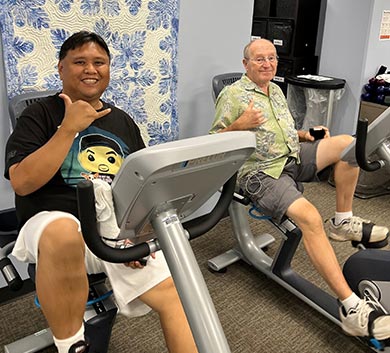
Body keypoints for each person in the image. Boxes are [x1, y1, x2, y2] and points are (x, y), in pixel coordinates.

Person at [4, 31, 198, 353]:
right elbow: (22, 182)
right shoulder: (38, 115)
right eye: (79, 61)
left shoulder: (122, 121)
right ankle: (71, 346)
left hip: (111, 229)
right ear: (61, 68)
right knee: (63, 232)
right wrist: (68, 129)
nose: (90, 69)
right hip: (52, 223)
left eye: (99, 62)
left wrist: (137, 234)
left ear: (109, 68)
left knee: (176, 294)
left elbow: (139, 187)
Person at [210, 38, 390, 340]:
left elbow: (278, 131)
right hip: (260, 172)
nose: (267, 64)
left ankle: (343, 220)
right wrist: (239, 124)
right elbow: (213, 143)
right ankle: (351, 308)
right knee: (309, 217)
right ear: (245, 64)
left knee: (348, 145)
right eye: (259, 59)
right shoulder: (233, 95)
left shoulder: (276, 89)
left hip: (291, 157)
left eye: (272, 58)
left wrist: (305, 135)